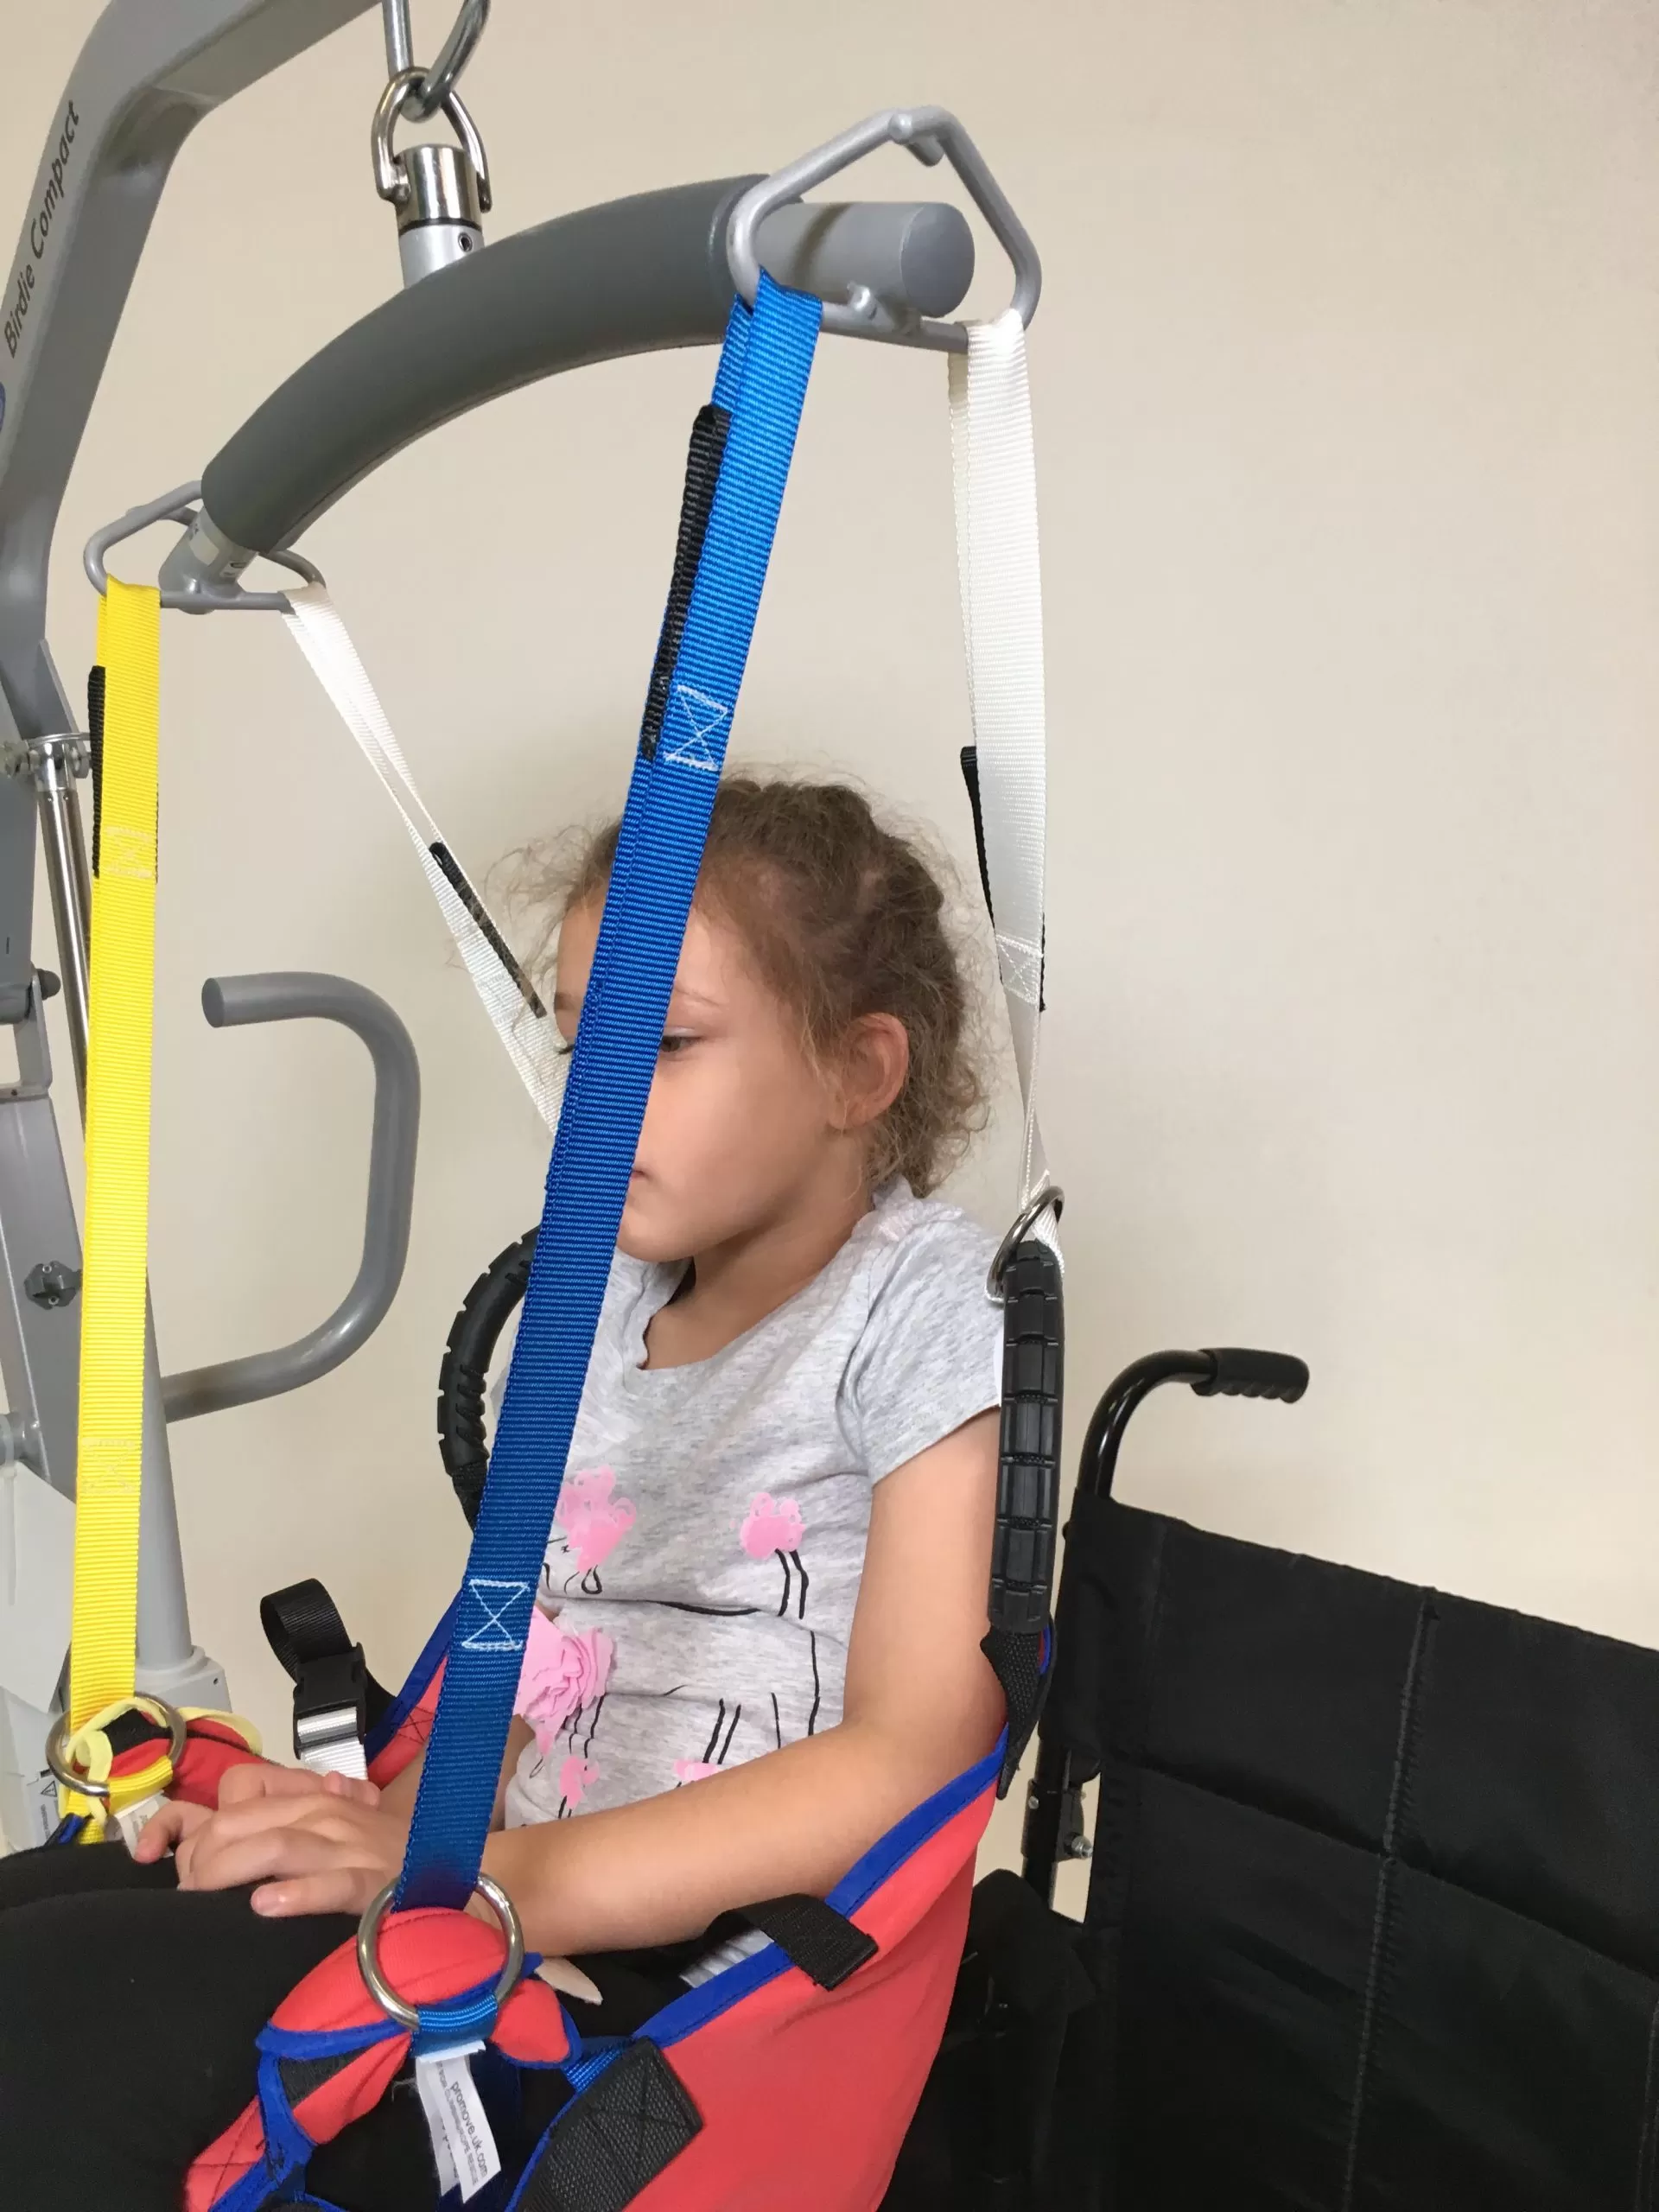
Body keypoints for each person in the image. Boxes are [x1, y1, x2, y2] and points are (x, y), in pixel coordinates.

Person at [0, 776, 1008, 2210]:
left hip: (667, 2006)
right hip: (487, 1889)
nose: (595, 1100)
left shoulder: (924, 1307)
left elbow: (912, 1762)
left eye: (661, 1045)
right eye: (579, 1042)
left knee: (47, 2037)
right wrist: (371, 1821)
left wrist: (495, 1878)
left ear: (861, 1072)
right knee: (51, 1915)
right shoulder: (605, 1301)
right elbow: (548, 1656)